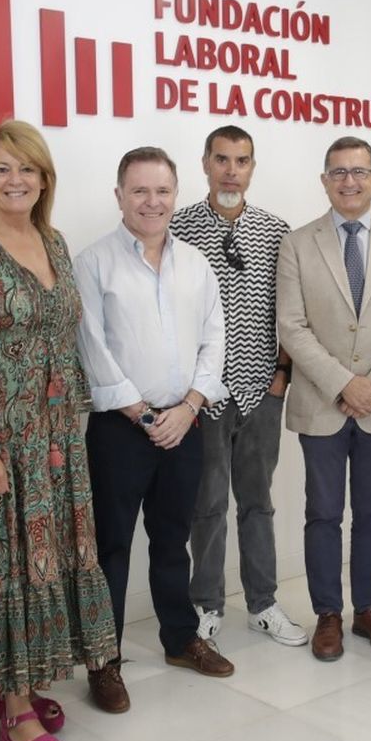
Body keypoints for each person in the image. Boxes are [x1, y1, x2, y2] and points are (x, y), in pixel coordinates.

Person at [0, 120, 118, 741]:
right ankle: (12, 712)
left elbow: (63, 338)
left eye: (27, 169)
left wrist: (73, 420)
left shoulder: (55, 241)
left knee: (50, 555)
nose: (15, 181)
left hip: (55, 431)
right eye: (2, 169)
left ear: (45, 179)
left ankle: (30, 676)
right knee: (9, 560)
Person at [76, 146, 235, 698]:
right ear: (119, 196)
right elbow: (92, 349)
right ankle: (105, 659)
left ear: (175, 194)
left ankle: (179, 638)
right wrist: (146, 415)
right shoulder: (93, 263)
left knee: (173, 540)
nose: (152, 201)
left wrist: (189, 407)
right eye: (139, 190)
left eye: (162, 190)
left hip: (185, 425)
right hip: (121, 431)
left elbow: (215, 339)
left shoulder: (196, 263)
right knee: (112, 547)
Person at [277, 136, 371, 662]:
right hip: (323, 402)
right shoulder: (296, 244)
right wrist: (343, 384)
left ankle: (369, 611)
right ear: (324, 181)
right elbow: (291, 327)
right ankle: (328, 615)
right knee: (322, 514)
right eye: (338, 172)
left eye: (360, 171)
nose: (349, 181)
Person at [168, 126, 305, 647]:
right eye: (221, 159)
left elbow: (292, 314)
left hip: (261, 393)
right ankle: (206, 604)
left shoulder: (276, 231)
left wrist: (281, 376)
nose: (231, 169)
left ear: (252, 167)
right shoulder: (178, 229)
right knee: (207, 505)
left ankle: (263, 604)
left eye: (241, 160)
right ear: (204, 163)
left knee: (258, 503)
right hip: (202, 397)